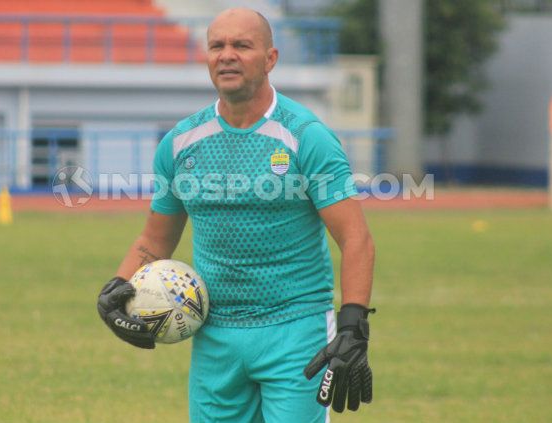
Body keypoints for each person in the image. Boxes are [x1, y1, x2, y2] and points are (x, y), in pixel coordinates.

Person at [97, 8, 376, 423]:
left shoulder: (306, 136)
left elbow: (356, 239)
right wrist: (116, 288)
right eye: (217, 46)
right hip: (215, 336)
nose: (227, 55)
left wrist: (353, 325)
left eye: (241, 46)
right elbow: (155, 241)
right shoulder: (180, 143)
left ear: (270, 59)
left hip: (296, 332)